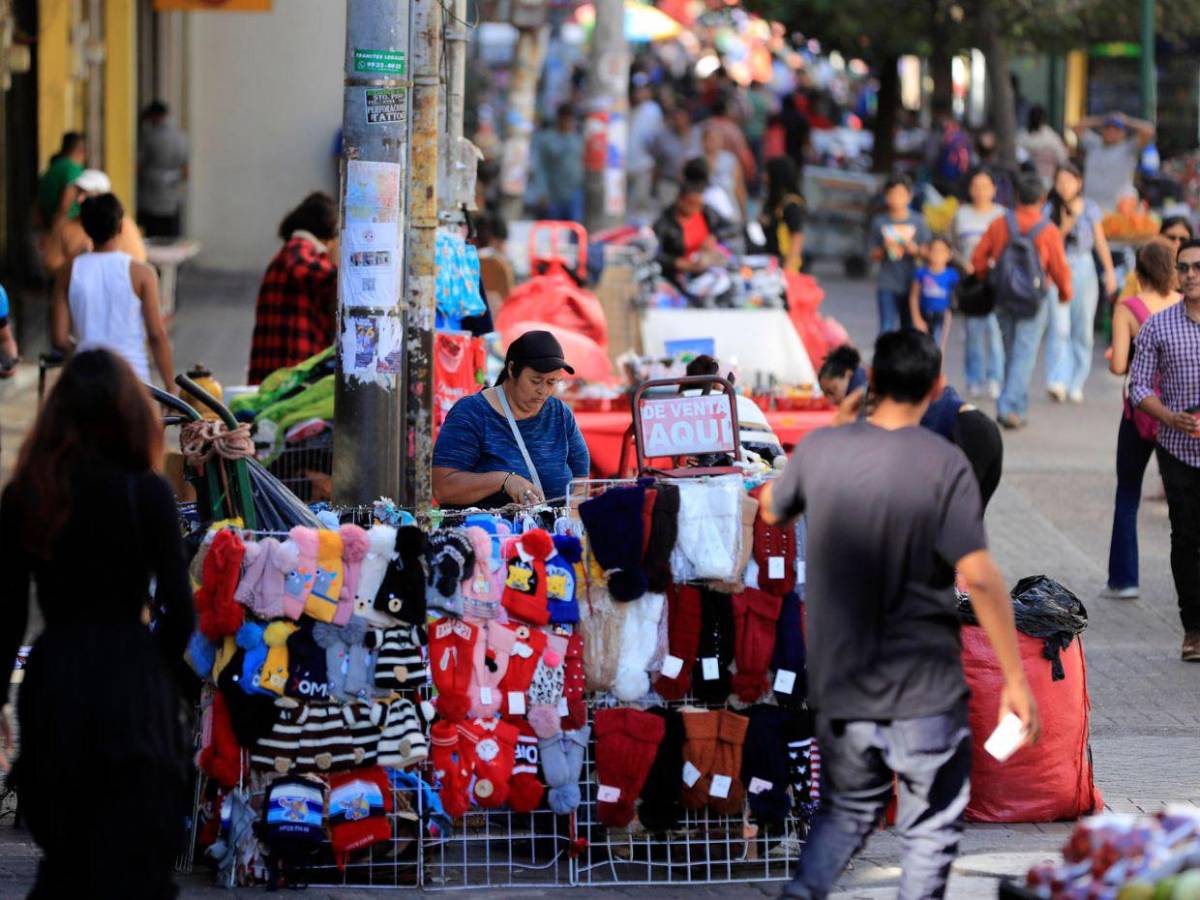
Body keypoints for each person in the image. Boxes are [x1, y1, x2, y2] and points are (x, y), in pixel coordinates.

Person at [763, 329, 1039, 900]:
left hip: (847, 678)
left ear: (870, 382)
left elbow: (769, 507)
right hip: (926, 683)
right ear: (936, 386)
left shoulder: (821, 450)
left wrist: (836, 429)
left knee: (846, 813)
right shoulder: (943, 463)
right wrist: (1015, 679)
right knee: (931, 831)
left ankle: (802, 893)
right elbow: (982, 578)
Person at [0, 348, 195, 896]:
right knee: (133, 859)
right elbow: (179, 609)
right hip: (130, 681)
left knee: (67, 856)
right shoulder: (148, 493)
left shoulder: (28, 497)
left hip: (56, 677)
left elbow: (9, 617)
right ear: (130, 414)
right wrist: (155, 676)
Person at [1128, 238, 1200, 660]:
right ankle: (1193, 628)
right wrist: (1170, 417)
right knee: (1186, 536)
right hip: (1176, 447)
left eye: (1197, 267)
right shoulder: (1159, 325)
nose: (1190, 274)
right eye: (1184, 268)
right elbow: (1137, 386)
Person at [432, 330, 589, 508]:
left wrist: (570, 523)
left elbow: (580, 482)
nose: (543, 390)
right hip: (487, 532)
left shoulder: (560, 414)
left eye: (551, 382)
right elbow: (442, 488)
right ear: (512, 369)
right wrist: (503, 480)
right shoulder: (471, 413)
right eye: (536, 381)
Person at [1104, 240, 1180, 601]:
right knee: (1185, 498)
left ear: (1138, 273)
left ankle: (1124, 579)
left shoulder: (1128, 309)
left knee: (1128, 493)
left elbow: (1119, 365)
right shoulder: (1184, 307)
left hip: (1139, 413)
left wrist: (1117, 356)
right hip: (1180, 415)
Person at [972, 172, 1072, 430]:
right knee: (1024, 354)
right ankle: (1009, 408)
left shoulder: (999, 223)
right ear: (1042, 199)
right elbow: (1060, 268)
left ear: (1016, 197)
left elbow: (978, 258)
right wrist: (1064, 293)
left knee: (1011, 353)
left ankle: (1016, 407)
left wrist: (986, 279)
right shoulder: (1048, 230)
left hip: (1003, 297)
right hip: (1034, 300)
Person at [50, 193, 173, 389]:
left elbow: (59, 338)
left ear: (84, 228)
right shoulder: (142, 273)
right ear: (121, 227)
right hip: (133, 378)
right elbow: (156, 335)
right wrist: (170, 387)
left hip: (85, 379)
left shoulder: (68, 272)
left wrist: (82, 351)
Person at [1044, 163, 1117, 403]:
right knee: (1060, 326)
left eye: (1069, 180)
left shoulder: (1090, 208)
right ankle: (1057, 380)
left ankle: (1077, 381)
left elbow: (1100, 242)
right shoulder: (1049, 208)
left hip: (1084, 268)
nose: (1064, 186)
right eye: (1060, 181)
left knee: (1083, 329)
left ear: (1079, 182)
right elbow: (1048, 243)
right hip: (1058, 267)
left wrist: (1109, 273)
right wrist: (1064, 227)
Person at [247, 192, 338, 384]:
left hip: (280, 366)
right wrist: (347, 270)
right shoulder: (300, 246)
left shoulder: (292, 250)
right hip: (290, 367)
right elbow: (304, 268)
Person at [952, 167, 1007, 398]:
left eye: (985, 186)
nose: (981, 191)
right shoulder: (961, 214)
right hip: (972, 281)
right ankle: (973, 379)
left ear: (994, 189)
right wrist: (963, 263)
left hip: (995, 281)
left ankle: (995, 378)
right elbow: (952, 245)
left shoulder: (1002, 215)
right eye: (976, 186)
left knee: (995, 331)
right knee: (973, 332)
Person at [43, 169, 147, 276]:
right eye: (78, 192)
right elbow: (52, 265)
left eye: (86, 193)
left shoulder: (122, 224)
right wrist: (79, 264)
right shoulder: (66, 227)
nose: (79, 199)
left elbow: (137, 261)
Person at [869, 174, 930, 335]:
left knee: (909, 330)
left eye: (901, 194)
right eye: (892, 194)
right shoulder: (879, 222)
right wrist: (884, 249)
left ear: (909, 196)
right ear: (886, 197)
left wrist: (915, 250)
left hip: (913, 283)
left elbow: (930, 253)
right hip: (887, 283)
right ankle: (884, 360)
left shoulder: (919, 222)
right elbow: (872, 254)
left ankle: (906, 360)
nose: (896, 198)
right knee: (886, 328)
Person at [653, 178, 727, 295]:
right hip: (678, 274)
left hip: (705, 267)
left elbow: (732, 227)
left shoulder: (706, 213)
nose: (696, 208)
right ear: (680, 201)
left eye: (699, 204)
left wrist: (715, 237)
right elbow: (654, 253)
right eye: (692, 204)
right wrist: (676, 262)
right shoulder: (665, 223)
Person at [1072, 112, 1155, 212]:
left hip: (1117, 208)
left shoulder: (1128, 148)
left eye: (1116, 129)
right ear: (1102, 130)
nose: (1111, 132)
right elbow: (1076, 127)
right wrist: (1102, 119)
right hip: (1090, 205)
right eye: (1108, 128)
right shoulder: (1094, 143)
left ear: (1123, 133)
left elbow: (1149, 131)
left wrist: (1126, 120)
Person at [137, 100, 190, 238]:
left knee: (153, 238)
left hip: (150, 199)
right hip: (173, 199)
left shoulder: (148, 137)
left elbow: (137, 166)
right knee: (170, 239)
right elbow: (186, 171)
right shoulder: (181, 137)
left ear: (154, 116)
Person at [531, 104, 585, 223]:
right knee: (554, 229)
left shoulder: (579, 140)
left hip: (575, 193)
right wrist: (542, 192)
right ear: (559, 119)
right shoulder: (548, 140)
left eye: (570, 119)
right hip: (553, 194)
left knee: (575, 227)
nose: (568, 122)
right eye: (565, 118)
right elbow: (541, 168)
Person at [1119, 216, 1193, 300]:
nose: (1177, 243)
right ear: (1159, 239)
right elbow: (1122, 306)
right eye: (1171, 238)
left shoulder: (1196, 276)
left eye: (1183, 240)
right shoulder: (1140, 274)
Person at [626, 75, 664, 224]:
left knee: (639, 205)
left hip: (644, 165)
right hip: (622, 166)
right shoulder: (624, 107)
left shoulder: (653, 110)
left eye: (643, 90)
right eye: (637, 90)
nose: (639, 93)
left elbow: (657, 139)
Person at [910, 236, 959, 350]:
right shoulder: (921, 273)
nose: (937, 254)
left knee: (938, 347)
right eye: (934, 250)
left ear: (949, 254)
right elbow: (914, 296)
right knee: (921, 346)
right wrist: (916, 318)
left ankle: (937, 368)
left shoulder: (952, 274)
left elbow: (957, 293)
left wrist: (951, 310)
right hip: (924, 313)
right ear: (927, 252)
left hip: (941, 315)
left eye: (941, 251)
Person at [761, 156, 805, 273]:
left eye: (767, 173)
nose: (764, 177)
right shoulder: (775, 203)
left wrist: (788, 269)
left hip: (785, 267)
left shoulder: (790, 205)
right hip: (772, 264)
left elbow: (797, 237)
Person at [698, 123, 746, 226]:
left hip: (728, 212)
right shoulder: (696, 161)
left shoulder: (731, 160)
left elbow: (739, 187)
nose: (714, 142)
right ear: (703, 141)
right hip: (704, 213)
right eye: (710, 139)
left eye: (717, 139)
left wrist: (743, 211)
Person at [35, 132, 87, 226]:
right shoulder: (72, 169)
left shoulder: (54, 167)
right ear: (81, 150)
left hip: (45, 223)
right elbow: (65, 203)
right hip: (63, 226)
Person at [1017, 105, 1068, 186]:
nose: (1036, 120)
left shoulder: (1051, 136)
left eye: (1038, 118)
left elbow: (1062, 158)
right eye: (1034, 117)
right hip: (1026, 177)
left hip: (1047, 178)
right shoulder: (1022, 135)